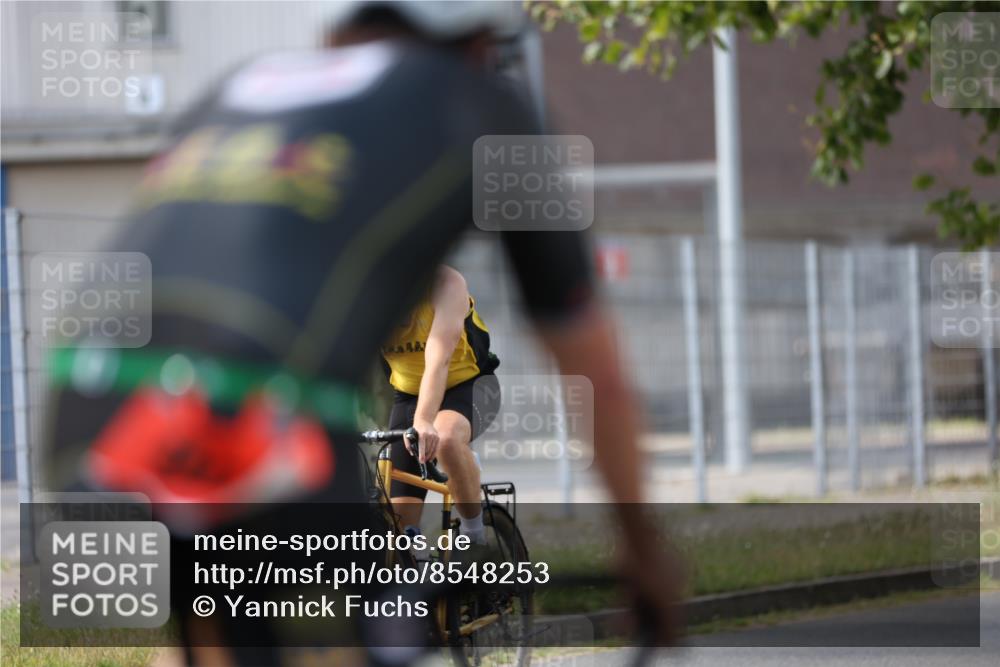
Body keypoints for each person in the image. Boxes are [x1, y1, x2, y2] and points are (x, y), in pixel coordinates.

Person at [39, 1, 681, 664]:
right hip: (252, 408)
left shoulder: (242, 85)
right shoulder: (479, 102)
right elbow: (594, 363)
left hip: (85, 401)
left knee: (216, 632)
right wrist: (643, 549)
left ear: (338, 32)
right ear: (480, 43)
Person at [381, 265, 500, 546]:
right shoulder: (363, 293)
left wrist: (424, 420)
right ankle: (417, 565)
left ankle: (475, 539)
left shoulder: (446, 283)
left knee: (446, 439)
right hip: (408, 396)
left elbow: (439, 359)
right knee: (400, 529)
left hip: (469, 386)